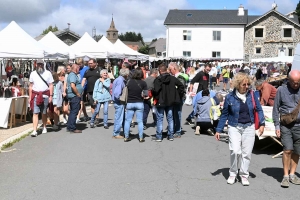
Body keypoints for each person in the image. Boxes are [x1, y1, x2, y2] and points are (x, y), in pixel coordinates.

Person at [215, 72, 265, 186]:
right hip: (234, 126)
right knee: (235, 150)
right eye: (244, 84)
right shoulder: (229, 97)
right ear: (238, 85)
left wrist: (262, 124)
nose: (247, 86)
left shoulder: (252, 95)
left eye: (248, 84)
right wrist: (218, 129)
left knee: (246, 153)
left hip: (249, 126)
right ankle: (233, 173)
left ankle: (244, 174)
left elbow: (259, 109)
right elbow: (224, 115)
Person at [273, 70, 300, 188]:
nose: (296, 84)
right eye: (294, 82)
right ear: (288, 80)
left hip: (299, 126)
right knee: (287, 150)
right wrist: (277, 126)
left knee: (297, 152)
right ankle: (285, 176)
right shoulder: (281, 90)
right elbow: (275, 109)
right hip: (286, 125)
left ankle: (292, 174)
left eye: (298, 82)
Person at [152, 64, 185, 142]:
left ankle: (159, 136)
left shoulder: (158, 79)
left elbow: (156, 90)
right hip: (170, 101)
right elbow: (181, 86)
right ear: (166, 70)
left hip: (161, 101)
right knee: (170, 118)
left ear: (160, 70)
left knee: (160, 119)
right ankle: (170, 135)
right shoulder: (172, 78)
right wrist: (176, 94)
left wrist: (155, 96)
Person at [29, 59, 54, 137]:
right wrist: (30, 98)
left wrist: (51, 96)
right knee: (35, 113)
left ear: (43, 65)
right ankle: (34, 130)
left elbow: (51, 85)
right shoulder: (33, 74)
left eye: (41, 64)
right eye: (39, 64)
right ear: (36, 65)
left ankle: (44, 127)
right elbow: (30, 86)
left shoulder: (48, 73)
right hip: (36, 95)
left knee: (44, 113)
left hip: (45, 95)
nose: (40, 65)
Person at [123, 68, 148, 142]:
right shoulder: (143, 83)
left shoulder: (129, 82)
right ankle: (141, 137)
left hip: (130, 103)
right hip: (139, 103)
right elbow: (146, 94)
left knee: (128, 121)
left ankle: (126, 137)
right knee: (140, 121)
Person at [169, 62, 188, 138]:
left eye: (170, 69)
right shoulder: (174, 76)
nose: (169, 71)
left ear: (174, 68)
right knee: (173, 114)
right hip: (174, 99)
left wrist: (176, 96)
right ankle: (173, 129)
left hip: (178, 99)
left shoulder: (180, 77)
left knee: (177, 114)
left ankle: (178, 131)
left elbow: (181, 89)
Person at [112, 68, 130, 139]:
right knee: (119, 118)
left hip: (118, 102)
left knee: (121, 117)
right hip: (119, 102)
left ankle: (123, 132)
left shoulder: (119, 79)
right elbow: (117, 94)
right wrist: (121, 99)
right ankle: (116, 133)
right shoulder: (120, 81)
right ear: (126, 74)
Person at [66, 64, 84, 133]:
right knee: (74, 112)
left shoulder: (72, 75)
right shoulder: (73, 75)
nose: (79, 70)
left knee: (72, 111)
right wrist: (78, 94)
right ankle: (72, 128)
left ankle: (69, 126)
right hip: (74, 96)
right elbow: (73, 86)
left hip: (73, 96)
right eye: (78, 68)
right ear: (76, 69)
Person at [76, 58, 89, 123]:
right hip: (78, 87)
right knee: (82, 102)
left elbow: (86, 79)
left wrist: (83, 87)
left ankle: (78, 116)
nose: (79, 65)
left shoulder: (86, 68)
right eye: (78, 64)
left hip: (84, 87)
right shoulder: (78, 68)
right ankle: (86, 115)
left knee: (81, 101)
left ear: (83, 63)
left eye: (80, 64)